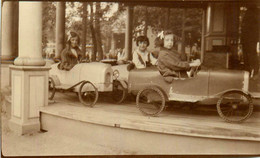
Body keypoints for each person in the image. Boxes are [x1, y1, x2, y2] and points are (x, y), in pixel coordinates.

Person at [241, 5, 259, 78]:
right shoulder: (253, 13)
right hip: (250, 38)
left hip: (250, 38)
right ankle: (252, 71)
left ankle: (252, 71)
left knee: (250, 54)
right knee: (250, 54)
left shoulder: (252, 14)